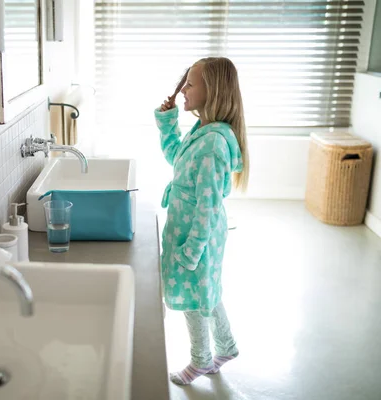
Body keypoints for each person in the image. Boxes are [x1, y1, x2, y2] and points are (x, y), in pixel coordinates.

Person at [154, 57, 250, 385]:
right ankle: (227, 345)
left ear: (213, 91)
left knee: (194, 298)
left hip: (196, 236)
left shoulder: (212, 145)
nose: (183, 90)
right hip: (190, 230)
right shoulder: (203, 131)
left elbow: (207, 207)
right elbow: (176, 158)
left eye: (190, 84)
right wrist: (167, 121)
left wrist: (191, 252)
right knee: (207, 291)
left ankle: (201, 360)